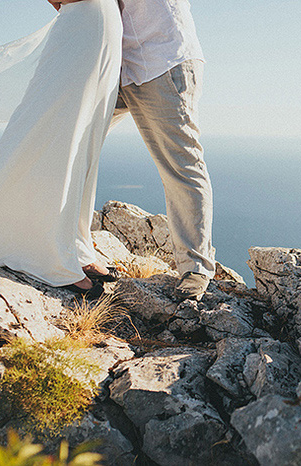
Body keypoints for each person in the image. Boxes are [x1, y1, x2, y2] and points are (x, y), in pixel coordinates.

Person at [0, 0, 124, 298]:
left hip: (105, 30)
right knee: (55, 129)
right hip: (83, 24)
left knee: (85, 137)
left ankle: (74, 245)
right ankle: (45, 251)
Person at [108, 0, 216, 301]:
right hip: (122, 66)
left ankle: (196, 267)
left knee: (182, 166)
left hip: (162, 61)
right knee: (72, 140)